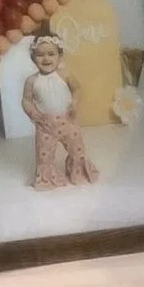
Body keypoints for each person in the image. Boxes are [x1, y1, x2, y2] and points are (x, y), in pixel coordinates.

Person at [22, 31, 97, 192]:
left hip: (67, 120)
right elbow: (26, 100)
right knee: (44, 155)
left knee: (77, 149)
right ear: (33, 57)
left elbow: (77, 89)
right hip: (45, 124)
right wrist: (32, 113)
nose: (46, 58)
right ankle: (46, 177)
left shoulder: (65, 74)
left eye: (51, 54)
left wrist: (75, 104)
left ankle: (79, 172)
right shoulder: (32, 80)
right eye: (40, 55)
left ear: (59, 55)